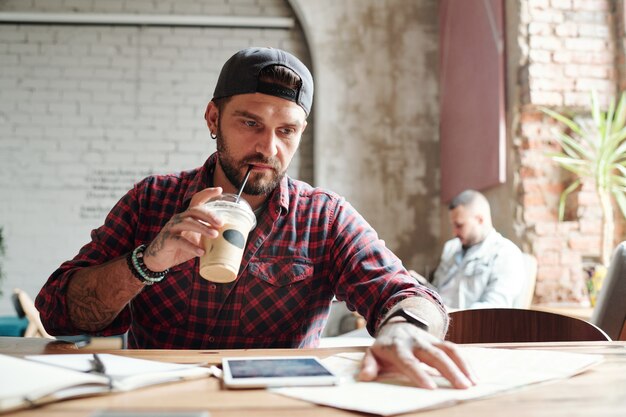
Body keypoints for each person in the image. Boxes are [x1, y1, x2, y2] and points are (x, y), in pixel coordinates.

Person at [36, 47, 475, 390]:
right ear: (214, 118)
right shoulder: (152, 200)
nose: (269, 148)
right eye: (250, 123)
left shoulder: (323, 217)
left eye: (286, 131)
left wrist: (404, 331)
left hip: (280, 404)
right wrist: (145, 263)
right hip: (162, 404)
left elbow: (406, 295)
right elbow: (58, 312)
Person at [429, 189, 525, 309]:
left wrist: (446, 313)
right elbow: (437, 288)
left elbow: (494, 309)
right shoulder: (451, 247)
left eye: (459, 225)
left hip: (468, 324)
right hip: (434, 316)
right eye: (453, 226)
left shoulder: (506, 254)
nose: (454, 232)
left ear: (480, 219)